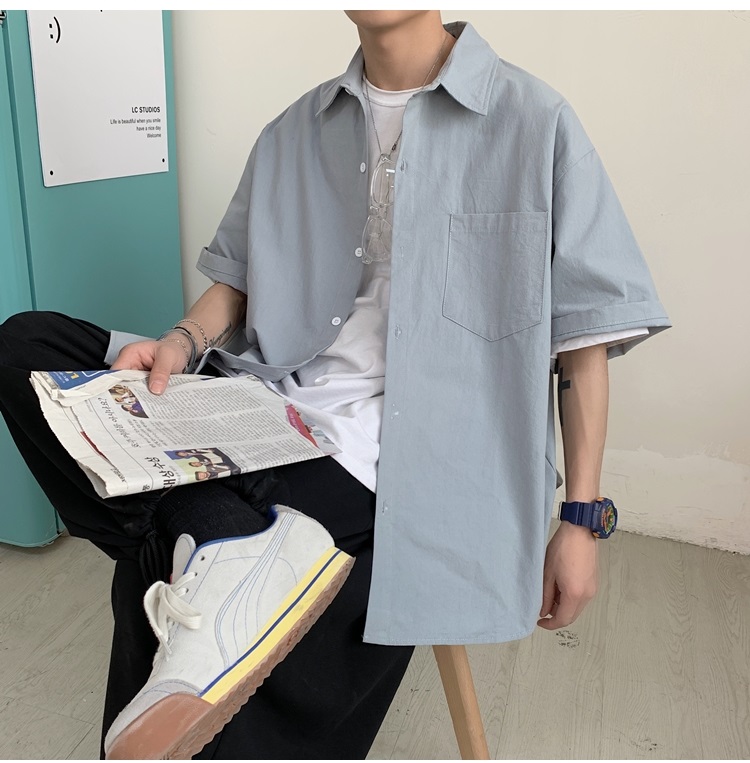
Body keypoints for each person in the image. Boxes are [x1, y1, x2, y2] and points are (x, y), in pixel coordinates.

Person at [0, 10, 670, 760]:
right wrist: (181, 343)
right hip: (266, 406)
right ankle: (226, 539)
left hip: (403, 457)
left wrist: (581, 521)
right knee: (26, 347)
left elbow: (583, 343)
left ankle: (212, 544)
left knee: (153, 561)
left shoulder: (535, 121)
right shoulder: (294, 129)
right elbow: (237, 280)